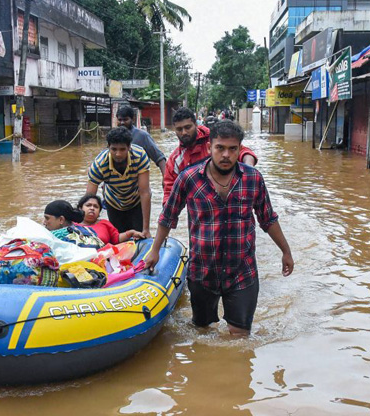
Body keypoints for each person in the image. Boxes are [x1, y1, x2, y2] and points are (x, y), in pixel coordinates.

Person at [144, 120, 294, 336]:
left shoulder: (253, 179)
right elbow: (168, 217)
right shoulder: (188, 178)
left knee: (240, 338)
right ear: (209, 148)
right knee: (201, 332)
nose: (226, 155)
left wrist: (286, 251)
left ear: (240, 150)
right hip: (202, 272)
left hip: (242, 271)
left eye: (232, 149)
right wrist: (155, 250)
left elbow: (268, 219)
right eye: (220, 148)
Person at [163, 108, 257, 205]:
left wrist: (249, 170)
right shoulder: (175, 160)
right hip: (201, 209)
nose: (184, 132)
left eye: (187, 127)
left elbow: (242, 151)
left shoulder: (214, 138)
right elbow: (169, 193)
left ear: (196, 124)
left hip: (232, 200)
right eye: (179, 129)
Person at [86, 127, 152, 238]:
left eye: (122, 149)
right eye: (114, 149)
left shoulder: (140, 156)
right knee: (118, 238)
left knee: (139, 236)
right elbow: (89, 198)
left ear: (129, 147)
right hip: (113, 202)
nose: (118, 154)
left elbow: (144, 192)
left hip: (136, 201)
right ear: (108, 147)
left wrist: (146, 229)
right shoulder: (99, 165)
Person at [76, 194, 145, 245]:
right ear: (80, 208)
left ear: (99, 211)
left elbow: (116, 239)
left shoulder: (104, 223)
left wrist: (131, 233)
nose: (92, 208)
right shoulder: (72, 225)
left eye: (96, 206)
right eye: (88, 205)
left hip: (102, 259)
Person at [116, 105, 166, 175]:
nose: (122, 123)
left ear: (133, 119)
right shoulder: (114, 136)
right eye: (120, 120)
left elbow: (159, 158)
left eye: (125, 119)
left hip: (139, 180)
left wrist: (166, 177)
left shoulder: (142, 136)